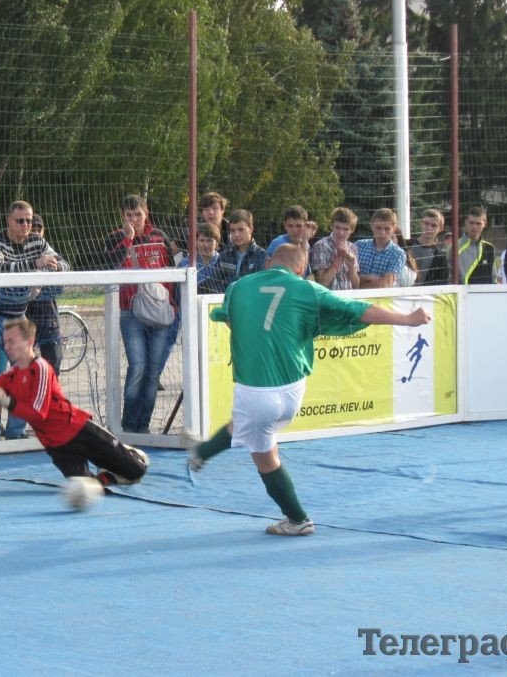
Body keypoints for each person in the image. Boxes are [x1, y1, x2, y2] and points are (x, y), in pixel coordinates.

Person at [185, 244, 431, 535]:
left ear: (268, 262)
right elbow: (358, 309)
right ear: (300, 269)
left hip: (255, 389)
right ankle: (201, 452)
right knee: (247, 428)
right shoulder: (307, 289)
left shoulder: (238, 287)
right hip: (293, 391)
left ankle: (297, 519)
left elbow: (228, 318)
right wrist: (407, 319)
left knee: (264, 455)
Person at [0, 317, 149, 490]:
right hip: (57, 445)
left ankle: (126, 453)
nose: (7, 346)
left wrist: (7, 401)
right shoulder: (9, 377)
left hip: (79, 430)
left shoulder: (41, 368)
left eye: (12, 341)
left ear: (29, 341)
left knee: (137, 471)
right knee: (83, 488)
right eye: (5, 341)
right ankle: (107, 477)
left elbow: (38, 414)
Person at [0, 200, 65, 440]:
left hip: (18, 315)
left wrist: (48, 270)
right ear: (9, 221)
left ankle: (16, 431)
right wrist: (35, 265)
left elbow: (63, 264)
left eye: (29, 220)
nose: (26, 225)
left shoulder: (38, 242)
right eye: (20, 220)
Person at [104, 195, 176, 434]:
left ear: (146, 212)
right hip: (131, 312)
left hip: (161, 313)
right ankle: (128, 426)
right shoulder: (115, 237)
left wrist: (173, 305)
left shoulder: (160, 237)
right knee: (137, 366)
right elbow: (108, 266)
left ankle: (143, 425)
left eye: (137, 214)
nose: (133, 219)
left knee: (153, 371)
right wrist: (127, 240)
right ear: (122, 215)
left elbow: (175, 270)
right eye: (128, 215)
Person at [25, 214, 67, 373]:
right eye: (32, 228)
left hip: (48, 317)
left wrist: (56, 267)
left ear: (44, 231)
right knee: (26, 370)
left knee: (53, 367)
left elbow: (65, 265)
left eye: (39, 228)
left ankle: (50, 397)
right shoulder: (20, 252)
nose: (35, 232)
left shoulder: (48, 251)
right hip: (25, 316)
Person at [309, 207, 360, 290]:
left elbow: (356, 286)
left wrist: (351, 267)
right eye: (337, 227)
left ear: (352, 230)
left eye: (346, 229)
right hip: (329, 299)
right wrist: (339, 258)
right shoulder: (321, 246)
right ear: (331, 226)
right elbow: (322, 283)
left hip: (348, 298)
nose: (341, 233)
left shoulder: (353, 247)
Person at [215, 209, 268, 288]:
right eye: (233, 230)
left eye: (241, 230)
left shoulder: (262, 256)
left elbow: (261, 285)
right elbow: (213, 283)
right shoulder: (224, 256)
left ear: (251, 229)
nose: (236, 234)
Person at [354, 208, 406, 288]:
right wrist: (369, 278)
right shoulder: (359, 246)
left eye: (387, 229)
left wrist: (359, 283)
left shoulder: (398, 253)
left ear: (394, 228)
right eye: (378, 228)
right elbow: (348, 278)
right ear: (372, 226)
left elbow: (385, 284)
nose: (382, 232)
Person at [407, 209, 449, 286]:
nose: (429, 228)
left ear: (440, 229)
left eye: (434, 225)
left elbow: (442, 285)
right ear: (421, 223)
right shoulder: (406, 246)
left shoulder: (440, 257)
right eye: (426, 223)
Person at [179, 221, 223, 294]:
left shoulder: (222, 263)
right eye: (202, 240)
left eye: (209, 241)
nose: (205, 245)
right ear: (196, 242)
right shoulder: (185, 264)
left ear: (217, 243)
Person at [455, 207, 496, 285]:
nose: (474, 227)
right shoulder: (455, 247)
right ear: (465, 222)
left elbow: (493, 278)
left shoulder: (490, 248)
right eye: (471, 223)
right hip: (463, 295)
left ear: (485, 224)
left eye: (478, 223)